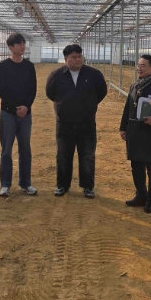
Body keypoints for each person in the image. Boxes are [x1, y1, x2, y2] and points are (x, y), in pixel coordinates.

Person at [46, 44, 107, 198]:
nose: (77, 59)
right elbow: (50, 93)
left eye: (79, 56)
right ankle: (62, 185)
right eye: (73, 57)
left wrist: (89, 106)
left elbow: (101, 92)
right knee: (63, 155)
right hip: (64, 123)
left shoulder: (94, 74)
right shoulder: (57, 75)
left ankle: (88, 186)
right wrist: (63, 107)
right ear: (66, 59)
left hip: (86, 122)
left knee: (87, 155)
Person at [119, 54, 151, 212]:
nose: (139, 68)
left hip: (149, 132)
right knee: (136, 165)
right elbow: (127, 108)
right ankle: (141, 195)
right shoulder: (135, 85)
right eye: (138, 65)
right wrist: (123, 127)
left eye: (143, 66)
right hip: (134, 131)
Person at [0, 33, 37, 197]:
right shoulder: (3, 66)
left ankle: (25, 183)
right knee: (6, 150)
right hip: (8, 113)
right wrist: (15, 109)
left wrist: (26, 107)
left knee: (25, 148)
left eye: (23, 43)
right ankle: (5, 185)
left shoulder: (29, 66)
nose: (22, 46)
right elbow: (2, 90)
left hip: (26, 114)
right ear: (11, 47)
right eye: (19, 44)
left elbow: (32, 89)